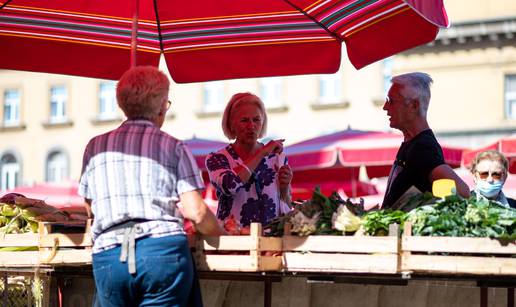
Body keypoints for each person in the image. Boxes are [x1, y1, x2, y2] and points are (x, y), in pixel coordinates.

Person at [78, 66, 224, 307]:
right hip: (161, 253)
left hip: (109, 255)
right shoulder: (174, 147)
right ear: (159, 106)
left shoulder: (95, 147)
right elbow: (196, 212)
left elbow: (90, 207)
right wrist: (222, 234)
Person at [382, 72, 470, 208]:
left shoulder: (422, 147)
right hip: (397, 229)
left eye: (391, 101)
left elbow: (463, 192)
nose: (385, 107)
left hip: (405, 229)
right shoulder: (413, 142)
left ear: (414, 105)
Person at [205, 92, 293, 228]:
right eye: (244, 120)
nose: (251, 126)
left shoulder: (276, 157)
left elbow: (286, 205)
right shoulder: (217, 159)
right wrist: (261, 154)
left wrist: (285, 187)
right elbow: (229, 186)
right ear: (231, 124)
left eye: (256, 120)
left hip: (270, 242)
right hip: (233, 242)